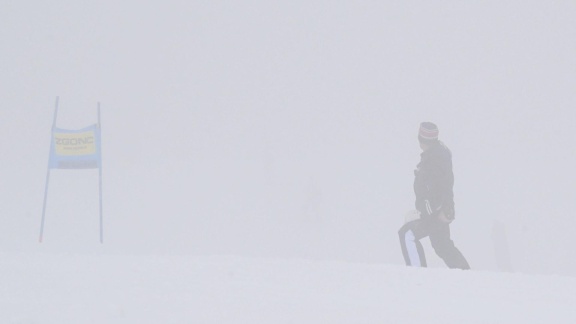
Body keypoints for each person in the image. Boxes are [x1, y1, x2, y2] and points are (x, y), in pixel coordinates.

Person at [398, 122, 470, 270]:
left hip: (436, 213)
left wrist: (428, 211)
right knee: (442, 245)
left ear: (422, 139)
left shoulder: (434, 159)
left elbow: (438, 189)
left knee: (407, 234)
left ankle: (416, 275)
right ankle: (466, 274)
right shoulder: (437, 156)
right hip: (440, 210)